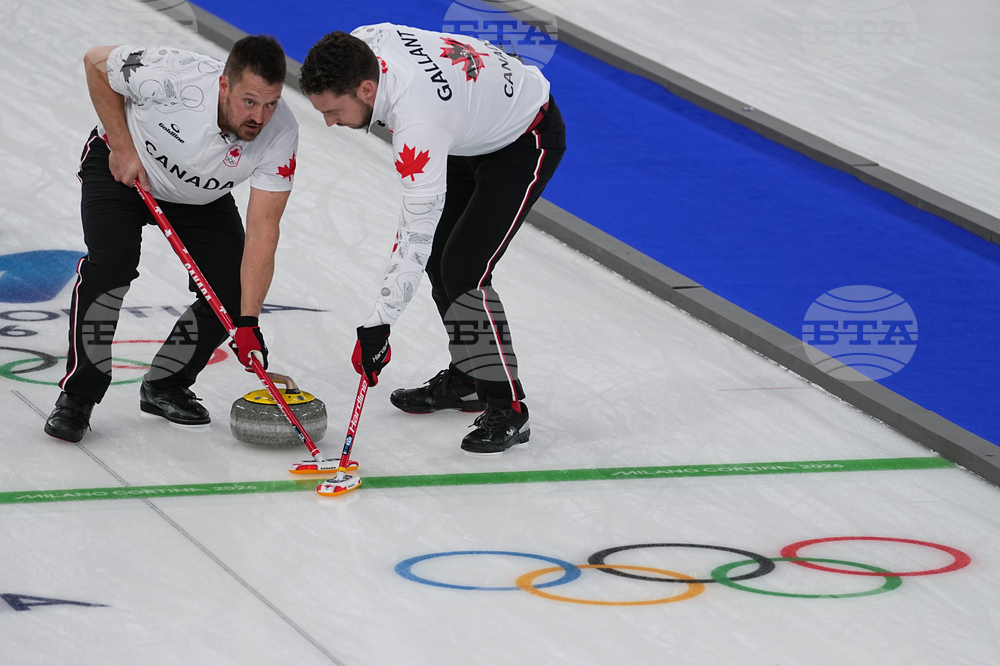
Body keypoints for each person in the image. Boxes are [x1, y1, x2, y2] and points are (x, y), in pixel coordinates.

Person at [299, 24, 565, 454]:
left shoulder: (417, 124)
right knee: (443, 257)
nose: (330, 123)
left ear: (367, 89)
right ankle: (468, 378)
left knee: (464, 270)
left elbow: (412, 237)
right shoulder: (361, 42)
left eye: (333, 112)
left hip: (522, 138)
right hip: (466, 127)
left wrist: (378, 325)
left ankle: (509, 408)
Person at [44, 36, 299, 443]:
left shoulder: (280, 134)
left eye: (270, 104)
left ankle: (165, 383)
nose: (260, 116)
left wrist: (247, 322)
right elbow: (95, 63)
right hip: (125, 170)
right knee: (112, 266)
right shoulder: (174, 76)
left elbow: (264, 232)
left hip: (200, 199)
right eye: (249, 101)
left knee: (232, 293)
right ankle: (78, 396)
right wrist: (123, 146)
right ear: (223, 85)